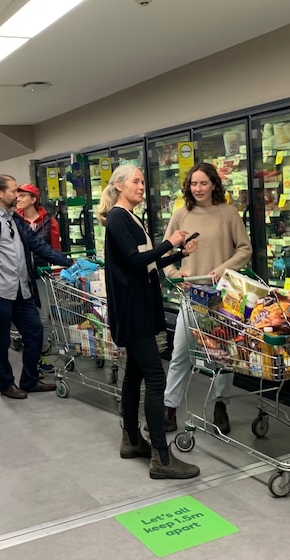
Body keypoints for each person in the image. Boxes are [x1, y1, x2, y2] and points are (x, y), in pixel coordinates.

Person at [99, 164, 201, 480]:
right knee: (156, 379)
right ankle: (162, 458)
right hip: (134, 310)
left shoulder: (129, 217)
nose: (142, 186)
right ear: (118, 186)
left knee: (135, 374)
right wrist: (169, 243)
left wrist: (178, 253)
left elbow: (147, 263)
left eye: (143, 181)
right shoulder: (118, 217)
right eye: (136, 181)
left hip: (138, 307)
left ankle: (131, 439)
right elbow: (132, 262)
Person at [0, 174, 73, 399]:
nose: (16, 195)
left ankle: (29, 380)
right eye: (13, 191)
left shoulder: (14, 219)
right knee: (1, 340)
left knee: (35, 332)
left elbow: (38, 245)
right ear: (0, 193)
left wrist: (68, 262)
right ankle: (6, 384)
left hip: (22, 287)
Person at [161, 163, 253, 434]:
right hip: (191, 295)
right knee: (180, 353)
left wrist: (223, 269)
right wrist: (176, 274)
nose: (198, 189)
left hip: (224, 297)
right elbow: (165, 253)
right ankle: (170, 407)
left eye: (203, 183)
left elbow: (245, 249)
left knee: (224, 355)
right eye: (193, 184)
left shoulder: (228, 213)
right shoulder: (181, 215)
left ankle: (220, 405)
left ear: (214, 184)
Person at [16, 182, 60, 365]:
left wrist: (57, 272)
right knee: (26, 314)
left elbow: (55, 248)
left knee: (44, 315)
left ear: (33, 199)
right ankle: (32, 349)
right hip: (21, 274)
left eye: (23, 195)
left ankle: (41, 351)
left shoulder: (49, 221)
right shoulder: (15, 220)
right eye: (17, 195)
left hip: (42, 273)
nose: (18, 198)